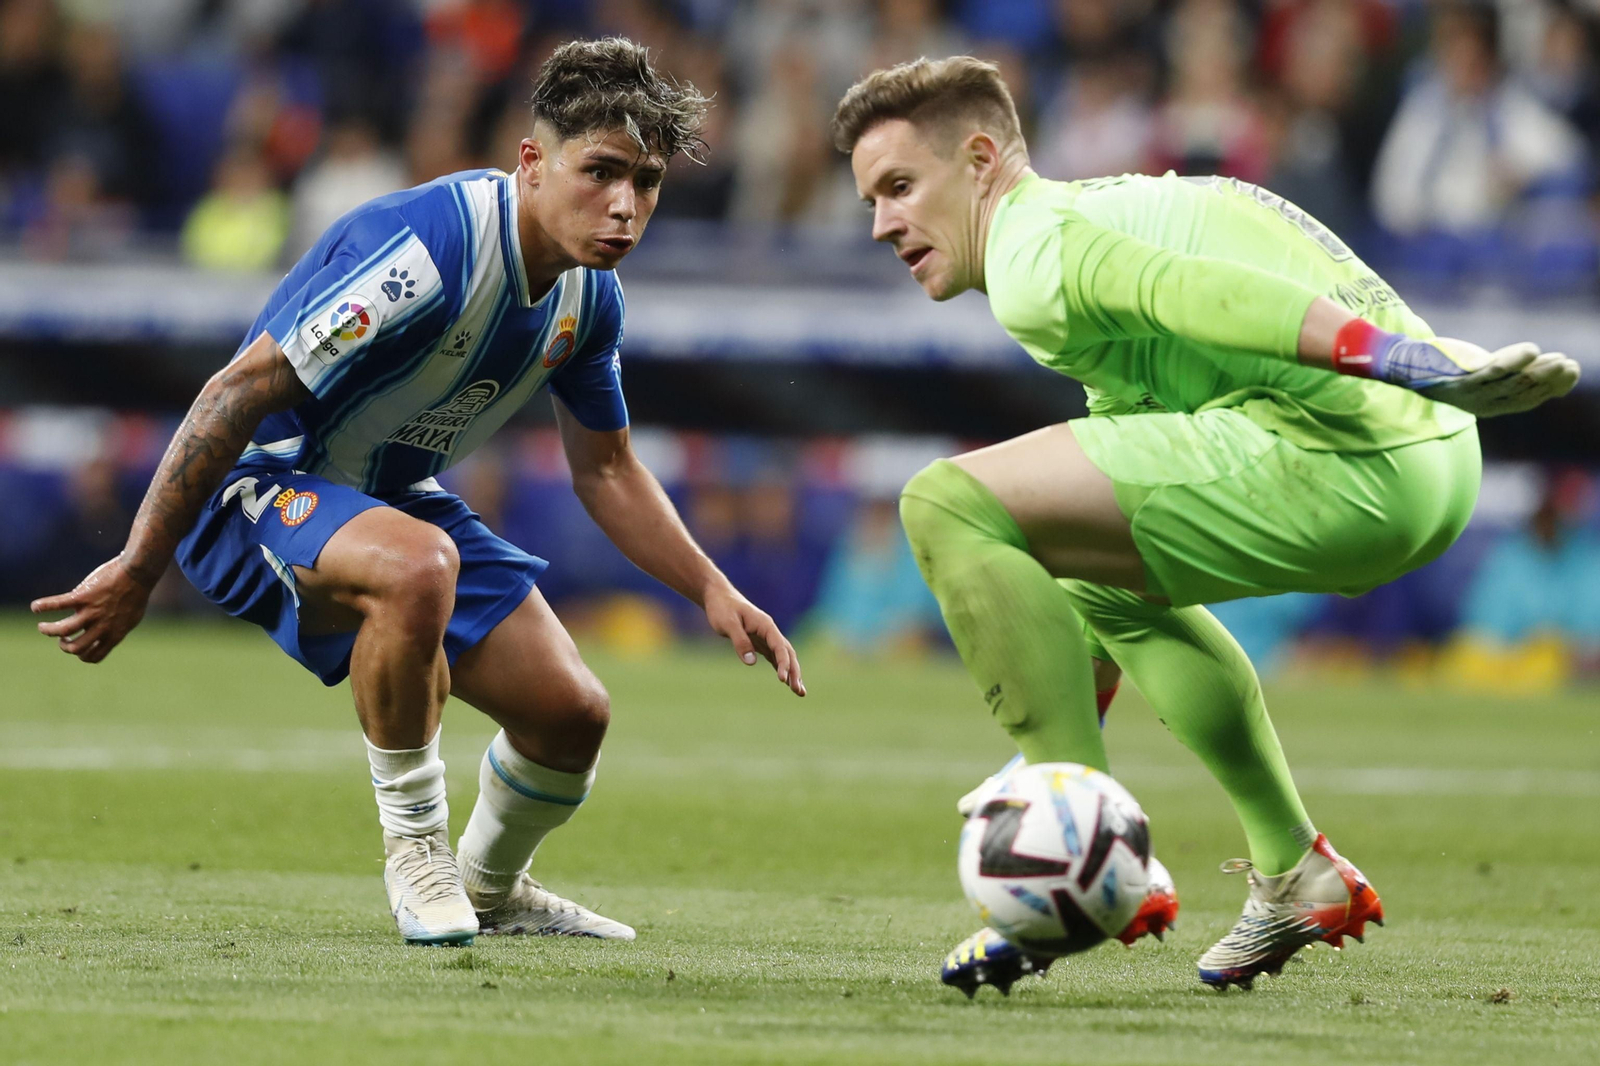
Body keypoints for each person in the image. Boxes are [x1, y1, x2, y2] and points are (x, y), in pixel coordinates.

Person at [31, 38, 805, 948]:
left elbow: (606, 468)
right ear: (532, 160)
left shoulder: (590, 299)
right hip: (260, 483)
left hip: (392, 494)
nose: (626, 205)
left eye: (647, 181)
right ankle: (415, 851)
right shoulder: (428, 251)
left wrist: (712, 587)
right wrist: (136, 565)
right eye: (600, 172)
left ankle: (490, 887)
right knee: (417, 566)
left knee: (571, 717)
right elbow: (235, 391)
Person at [830, 55, 1579, 992]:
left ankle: (1070, 837)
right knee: (1089, 571)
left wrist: (1389, 358)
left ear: (980, 158)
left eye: (899, 187)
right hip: (1434, 458)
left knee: (942, 501)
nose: (881, 224)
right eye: (871, 199)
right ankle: (1290, 870)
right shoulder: (1109, 208)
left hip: (1350, 453)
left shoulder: (1032, 252)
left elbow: (1198, 296)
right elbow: (1114, 479)